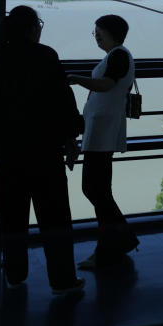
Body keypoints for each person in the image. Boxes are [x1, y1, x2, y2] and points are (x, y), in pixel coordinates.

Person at [0, 5, 85, 295]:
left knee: (13, 218)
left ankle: (15, 274)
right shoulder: (45, 56)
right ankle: (62, 280)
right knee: (55, 218)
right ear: (32, 28)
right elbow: (63, 101)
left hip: (11, 153)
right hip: (44, 151)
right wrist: (71, 133)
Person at [68, 14, 139, 270]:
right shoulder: (118, 55)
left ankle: (111, 247)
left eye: (99, 32)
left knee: (95, 189)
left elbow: (105, 85)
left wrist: (77, 79)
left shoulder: (118, 56)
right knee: (98, 190)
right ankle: (117, 242)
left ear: (112, 33)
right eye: (95, 32)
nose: (96, 36)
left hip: (103, 131)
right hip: (102, 130)